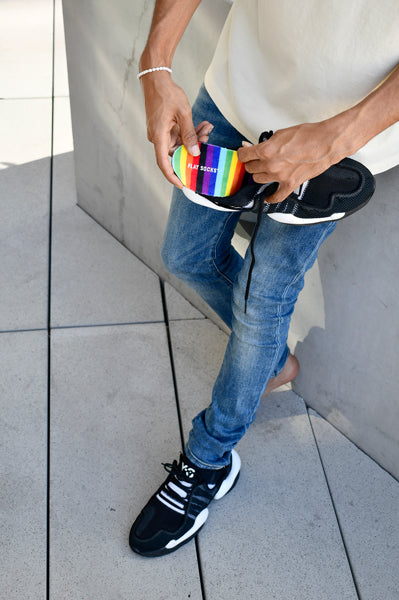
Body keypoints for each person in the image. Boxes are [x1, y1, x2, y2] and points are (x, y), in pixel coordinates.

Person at [129, 0, 399, 557]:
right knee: (185, 255)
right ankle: (272, 364)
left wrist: (334, 139)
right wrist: (155, 67)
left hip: (342, 138)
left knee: (262, 301)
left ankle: (209, 460)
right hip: (239, 90)